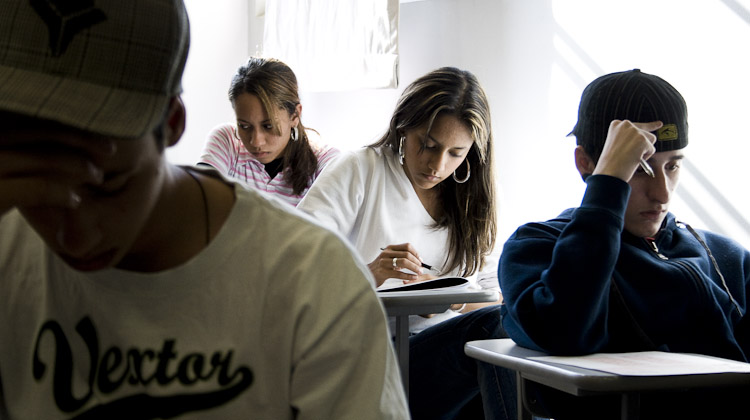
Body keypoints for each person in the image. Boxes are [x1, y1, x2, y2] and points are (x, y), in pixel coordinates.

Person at [0, 1, 409, 419]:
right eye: (38, 190)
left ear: (173, 123)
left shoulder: (315, 283)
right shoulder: (7, 249)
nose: (73, 235)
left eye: (109, 185)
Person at [499, 69, 750, 418]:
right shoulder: (536, 247)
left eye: (673, 166)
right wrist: (608, 186)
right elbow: (566, 334)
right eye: (640, 169)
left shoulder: (725, 256)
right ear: (586, 163)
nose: (662, 193)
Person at [298, 67, 515, 420]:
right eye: (427, 145)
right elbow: (295, 266)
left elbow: (497, 305)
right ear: (403, 127)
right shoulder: (360, 170)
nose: (436, 164)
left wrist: (445, 300)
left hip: (437, 356)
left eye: (455, 153)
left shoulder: (482, 199)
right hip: (366, 353)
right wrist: (370, 273)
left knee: (501, 335)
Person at [198, 57, 340, 207]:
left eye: (268, 126)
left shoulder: (325, 161)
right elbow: (198, 202)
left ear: (295, 115)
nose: (256, 142)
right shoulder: (227, 141)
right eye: (244, 126)